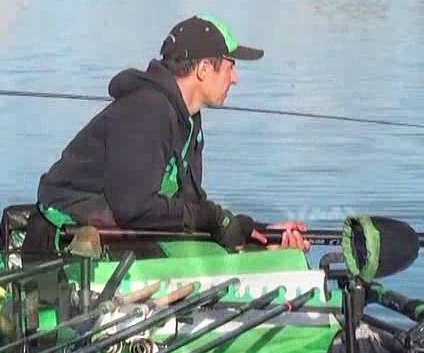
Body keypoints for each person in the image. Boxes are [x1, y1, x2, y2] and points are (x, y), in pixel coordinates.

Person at [27, 15, 310, 255]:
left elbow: (188, 209)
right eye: (230, 66)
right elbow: (135, 209)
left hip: (120, 235)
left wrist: (255, 233)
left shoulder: (187, 117)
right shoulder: (146, 111)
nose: (235, 78)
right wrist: (213, 218)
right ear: (203, 69)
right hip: (62, 244)